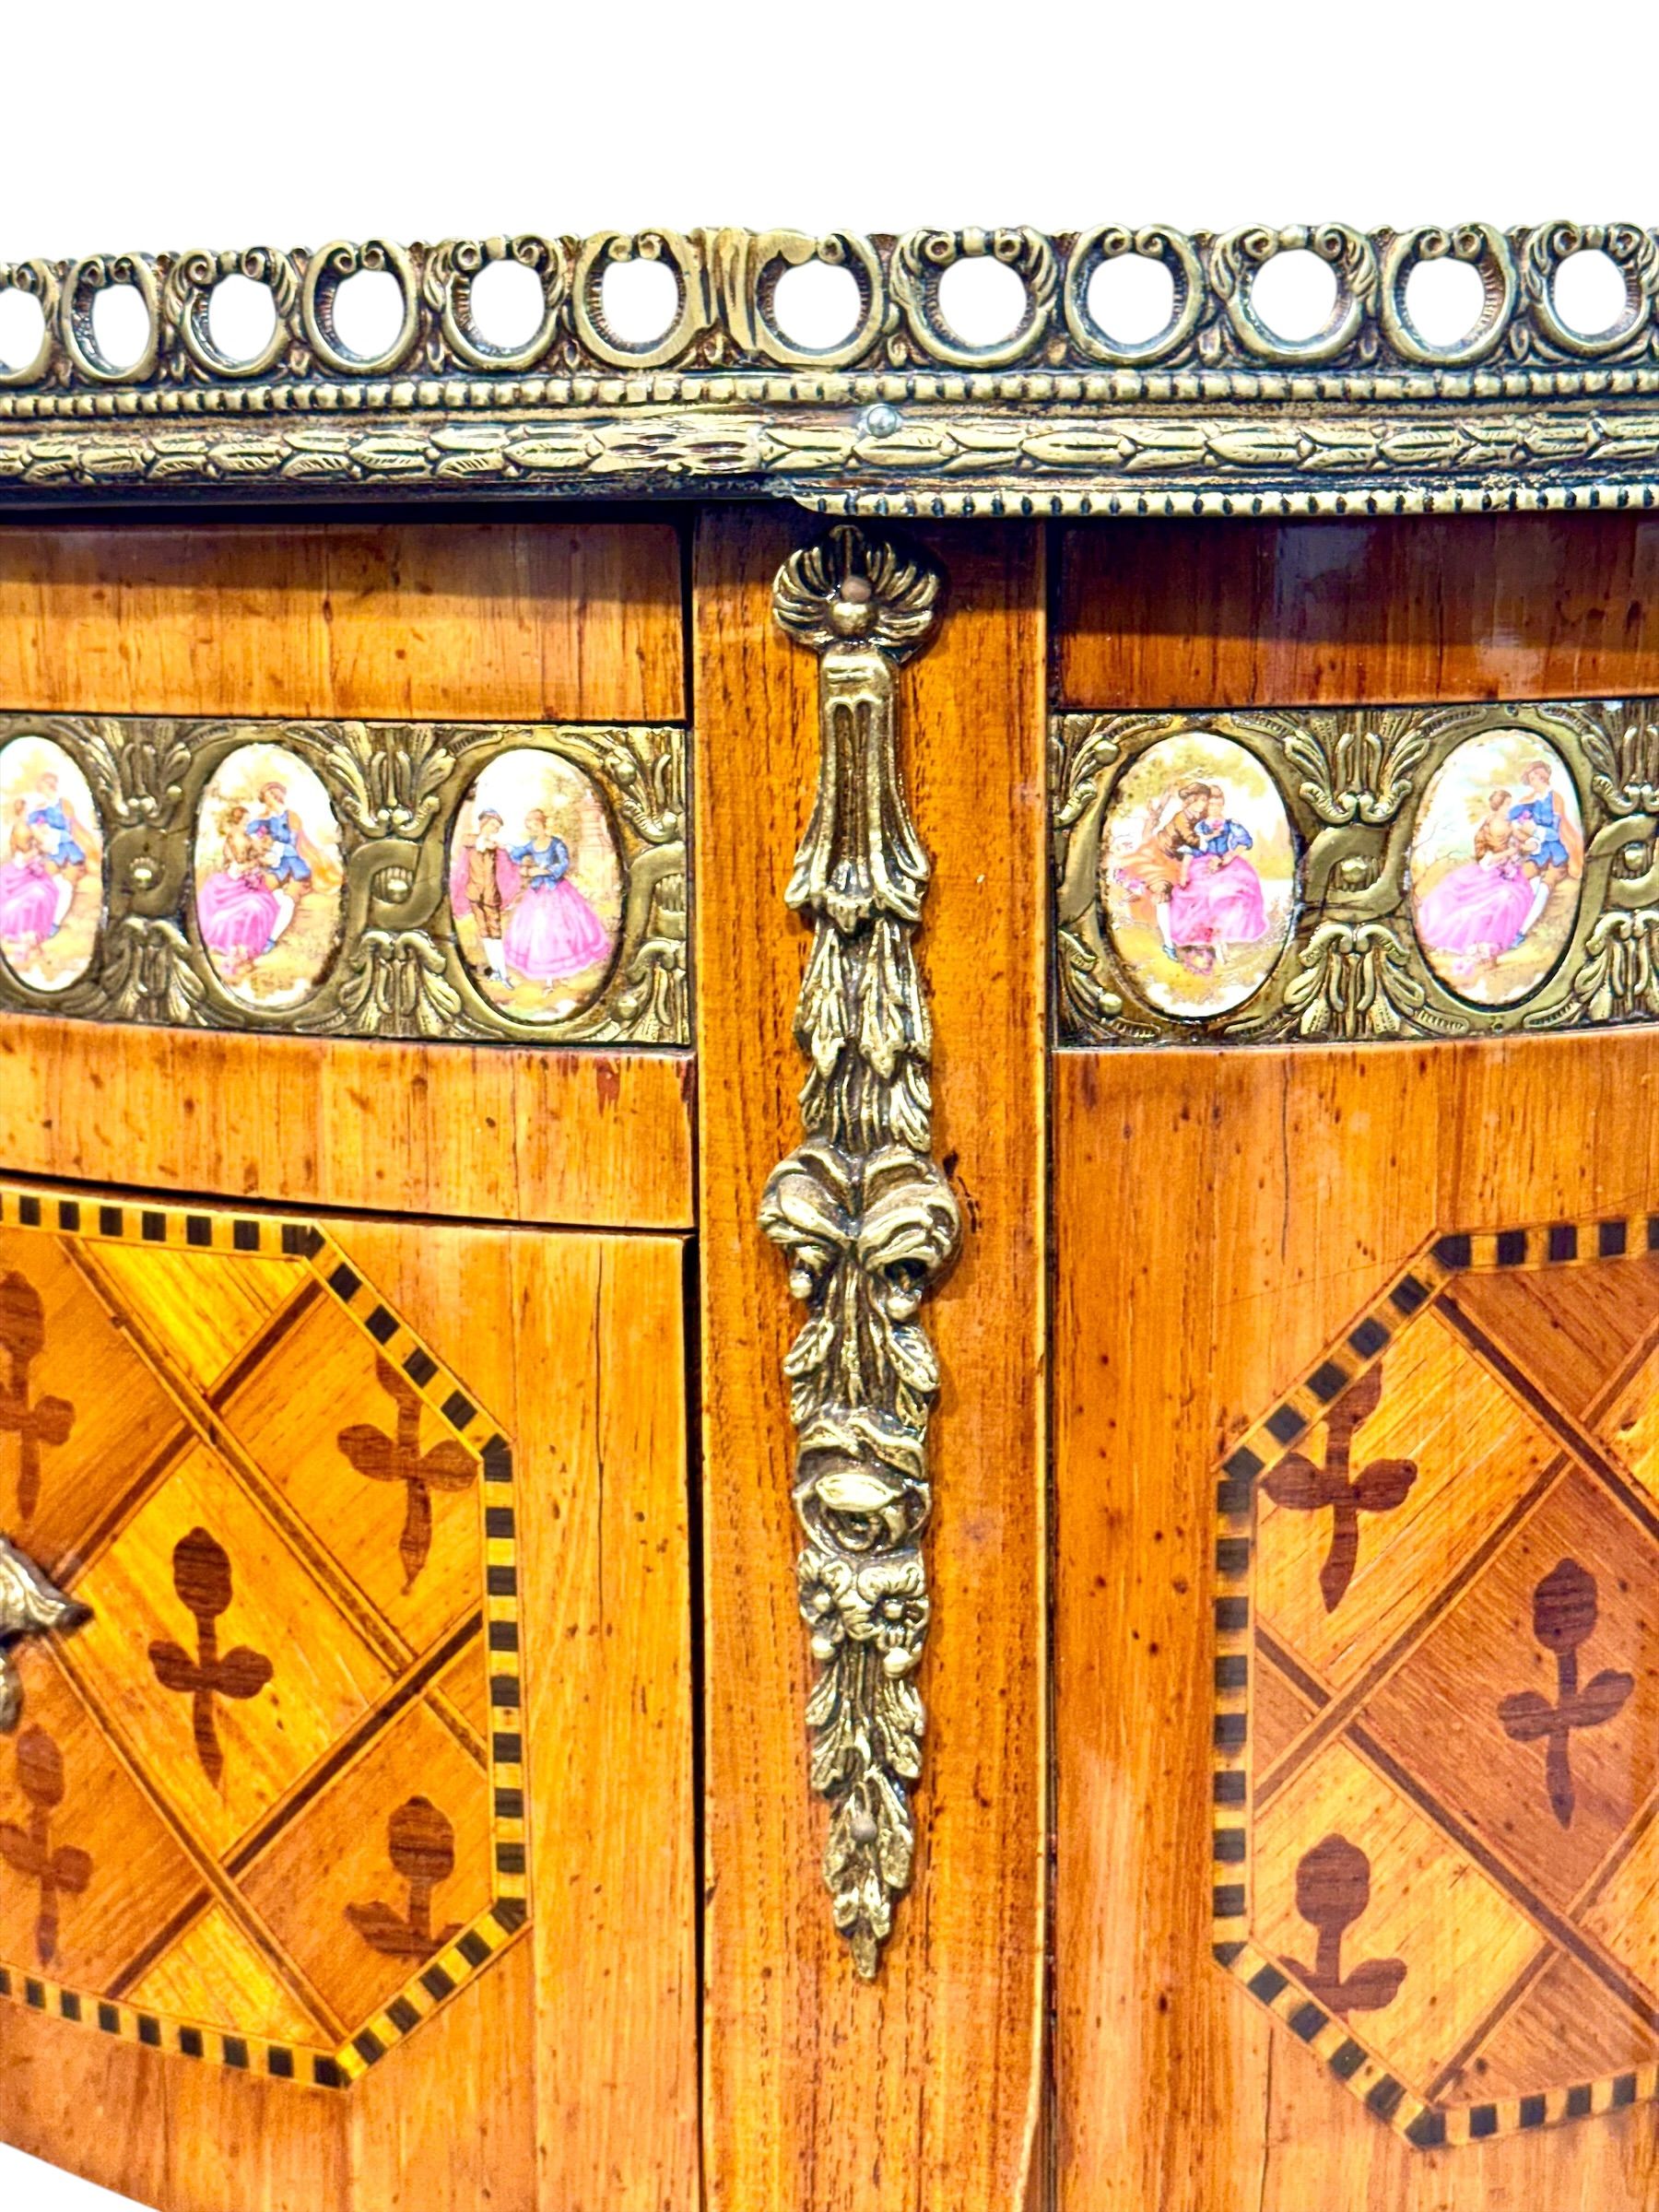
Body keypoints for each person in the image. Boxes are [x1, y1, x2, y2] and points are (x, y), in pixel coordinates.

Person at [1414, 787, 1535, 975]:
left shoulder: (1505, 822)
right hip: (1491, 872)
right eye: (1507, 804)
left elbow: (1519, 840)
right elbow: (1489, 857)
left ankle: (1495, 945)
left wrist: (1527, 843)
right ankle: (1484, 948)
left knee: (1518, 895)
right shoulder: (1493, 825)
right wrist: (1512, 851)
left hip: (1506, 871)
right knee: (1496, 902)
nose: (1509, 808)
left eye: (1510, 804)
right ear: (1500, 806)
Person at [502, 807, 612, 994]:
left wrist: (545, 871)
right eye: (530, 827)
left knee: (561, 929)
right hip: (537, 891)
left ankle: (562, 973)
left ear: (544, 824)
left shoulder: (556, 843)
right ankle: (549, 981)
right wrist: (526, 871)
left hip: (557, 889)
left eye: (535, 825)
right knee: (539, 932)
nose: (533, 829)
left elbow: (563, 864)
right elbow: (514, 856)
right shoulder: (531, 845)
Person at [1164, 782, 1268, 967]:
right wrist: (1183, 872)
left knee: (1235, 889)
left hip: (1227, 863)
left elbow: (1244, 842)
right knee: (1201, 892)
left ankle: (1222, 939)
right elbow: (1191, 850)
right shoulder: (1200, 827)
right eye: (1210, 804)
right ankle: (1208, 942)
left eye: (1217, 804)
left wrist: (1229, 856)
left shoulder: (1230, 824)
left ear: (1222, 805)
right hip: (1202, 864)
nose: (1213, 808)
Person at [1115, 781, 1211, 959]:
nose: (1204, 804)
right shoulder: (1181, 817)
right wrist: (1209, 839)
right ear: (1192, 800)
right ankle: (1168, 944)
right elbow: (1191, 839)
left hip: (1178, 861)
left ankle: (1197, 937)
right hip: (1158, 856)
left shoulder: (1199, 818)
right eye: (1201, 800)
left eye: (1206, 800)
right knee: (1162, 891)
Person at [194, 804, 289, 980]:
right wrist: (258, 863)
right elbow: (236, 869)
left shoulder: (247, 837)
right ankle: (239, 948)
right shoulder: (232, 841)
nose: (247, 823)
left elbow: (257, 853)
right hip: (234, 884)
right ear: (236, 822)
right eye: (245, 821)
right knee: (254, 907)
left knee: (267, 904)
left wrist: (263, 857)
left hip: (249, 883)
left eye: (247, 821)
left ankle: (249, 946)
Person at [1509, 760, 1580, 937]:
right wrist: (1520, 828)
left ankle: (1521, 932)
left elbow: (1556, 833)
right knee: (1521, 878)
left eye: (1534, 778)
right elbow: (1512, 816)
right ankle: (1508, 926)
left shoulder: (1555, 799)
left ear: (1543, 777)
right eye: (1530, 779)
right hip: (1538, 851)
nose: (1532, 782)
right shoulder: (1531, 801)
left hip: (1557, 853)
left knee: (1544, 887)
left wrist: (1536, 830)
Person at [450, 807, 517, 983]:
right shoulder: (471, 840)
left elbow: (508, 865)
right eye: (493, 825)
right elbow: (469, 841)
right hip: (474, 893)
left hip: (490, 894)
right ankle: (495, 971)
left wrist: (502, 848)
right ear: (484, 823)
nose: (495, 829)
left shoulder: (496, 847)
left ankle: (503, 973)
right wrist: (484, 841)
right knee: (484, 931)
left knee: (495, 931)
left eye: (497, 827)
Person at [0, 801, 65, 960]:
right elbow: (26, 854)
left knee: (53, 890)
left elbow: (45, 847)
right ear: (23, 811)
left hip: (32, 873)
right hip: (21, 873)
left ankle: (39, 930)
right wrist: (36, 849)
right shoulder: (22, 828)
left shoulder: (35, 825)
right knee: (39, 894)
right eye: (29, 810)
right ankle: (25, 935)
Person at [245, 782, 314, 898]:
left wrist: (276, 849)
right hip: (271, 856)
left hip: (287, 857)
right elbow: (249, 829)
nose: (266, 802)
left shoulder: (291, 816)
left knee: (270, 883)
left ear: (275, 796)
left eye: (267, 798)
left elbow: (293, 843)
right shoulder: (269, 817)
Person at [27, 771, 88, 888]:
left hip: (66, 844)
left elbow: (71, 826)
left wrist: (53, 834)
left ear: (50, 787)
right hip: (52, 847)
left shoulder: (63, 803)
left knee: (70, 881)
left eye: (43, 788)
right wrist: (40, 834)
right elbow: (31, 821)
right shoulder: (43, 805)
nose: (41, 791)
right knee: (48, 879)